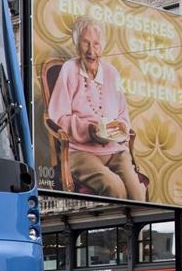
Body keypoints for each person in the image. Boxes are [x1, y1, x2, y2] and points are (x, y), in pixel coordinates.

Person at [47, 17, 146, 201]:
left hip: (116, 150)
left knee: (138, 193)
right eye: (85, 43)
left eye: (96, 44)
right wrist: (89, 130)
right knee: (115, 188)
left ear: (102, 47)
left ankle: (133, 229)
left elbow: (123, 115)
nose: (91, 51)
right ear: (77, 45)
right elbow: (58, 116)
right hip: (80, 151)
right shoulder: (69, 69)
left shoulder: (111, 73)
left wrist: (121, 129)